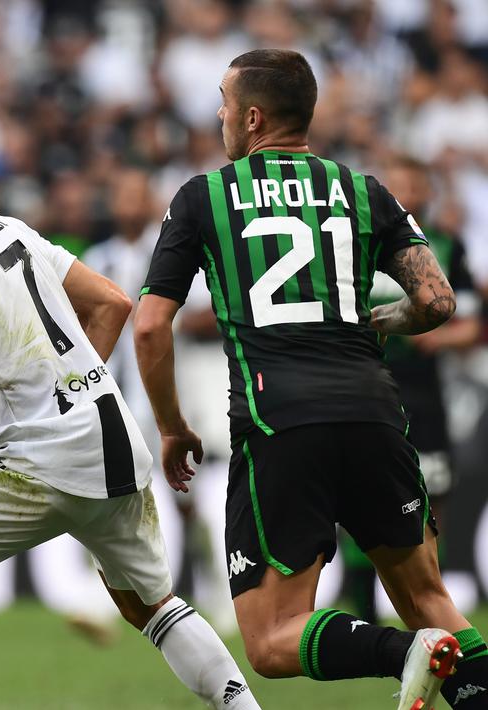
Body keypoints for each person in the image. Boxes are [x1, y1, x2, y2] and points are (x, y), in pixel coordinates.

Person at [0, 113, 260, 710]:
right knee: (150, 606)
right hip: (112, 437)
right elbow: (111, 302)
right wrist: (77, 388)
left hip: (40, 459)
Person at [134, 49, 481, 710]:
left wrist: (173, 427)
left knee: (268, 642)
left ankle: (402, 653)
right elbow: (437, 302)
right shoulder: (362, 189)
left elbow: (151, 326)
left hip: (280, 422)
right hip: (376, 412)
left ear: (252, 116)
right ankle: (438, 655)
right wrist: (381, 321)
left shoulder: (203, 195)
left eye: (224, 102)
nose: (218, 114)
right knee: (430, 600)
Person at [345, 156, 483, 624]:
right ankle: (366, 609)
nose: (404, 193)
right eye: (395, 185)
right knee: (361, 493)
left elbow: (474, 325)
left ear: (425, 191)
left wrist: (436, 334)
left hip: (426, 395)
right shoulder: (355, 243)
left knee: (433, 499)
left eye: (411, 185)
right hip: (370, 388)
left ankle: (433, 605)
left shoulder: (447, 245)